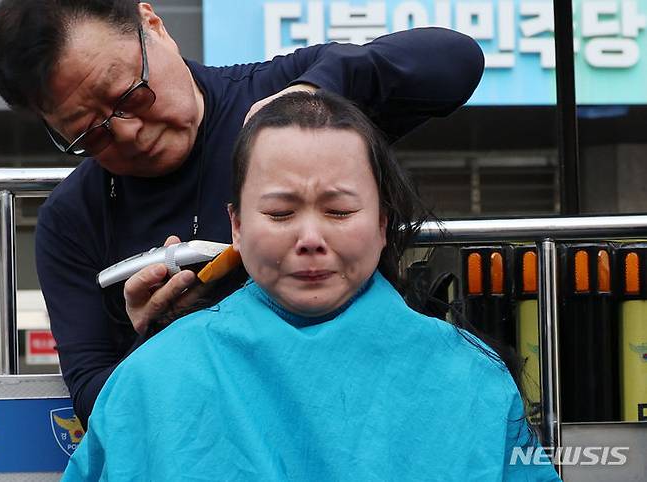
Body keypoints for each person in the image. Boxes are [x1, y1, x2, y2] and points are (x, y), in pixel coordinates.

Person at [0, 0, 485, 428]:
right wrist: (154, 342)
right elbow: (101, 407)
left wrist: (315, 92)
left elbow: (455, 60)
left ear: (153, 24)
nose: (130, 132)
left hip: (368, 409)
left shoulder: (281, 95)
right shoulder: (71, 221)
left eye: (130, 95)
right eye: (89, 134)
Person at [61, 91, 560, 481]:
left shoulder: (469, 377)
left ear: (383, 223)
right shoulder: (152, 378)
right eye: (280, 213)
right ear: (235, 226)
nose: (310, 238)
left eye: (339, 211)